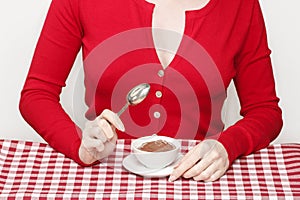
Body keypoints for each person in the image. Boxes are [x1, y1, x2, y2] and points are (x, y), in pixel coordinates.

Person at [19, 0, 283, 182]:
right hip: (106, 177)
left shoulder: (240, 6)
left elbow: (265, 111)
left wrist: (227, 146)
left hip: (200, 179)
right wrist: (80, 146)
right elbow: (37, 94)